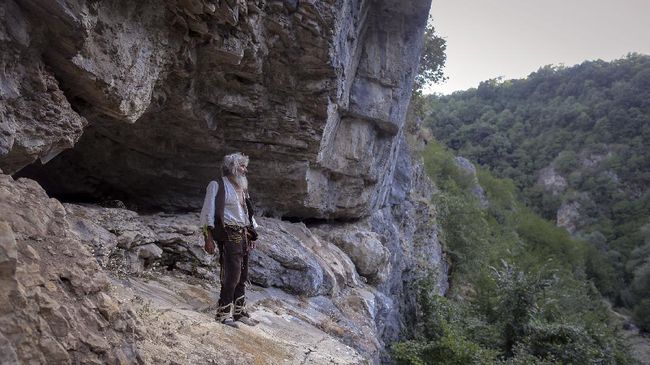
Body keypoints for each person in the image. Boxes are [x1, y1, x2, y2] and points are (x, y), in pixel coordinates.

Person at [200, 152, 259, 327]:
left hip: (243, 236)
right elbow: (207, 213)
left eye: (244, 166)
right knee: (231, 275)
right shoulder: (217, 185)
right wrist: (208, 238)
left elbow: (248, 212)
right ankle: (223, 314)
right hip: (228, 235)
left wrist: (252, 233)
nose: (245, 170)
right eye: (242, 166)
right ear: (232, 167)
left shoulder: (242, 188)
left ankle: (240, 312)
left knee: (243, 275)